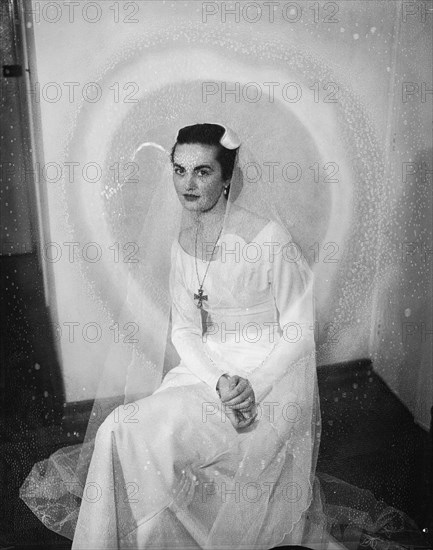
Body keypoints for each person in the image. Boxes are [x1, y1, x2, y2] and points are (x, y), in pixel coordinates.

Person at [20, 123, 415, 550]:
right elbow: (187, 329)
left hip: (268, 382)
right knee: (120, 428)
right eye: (179, 169)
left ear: (227, 177)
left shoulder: (269, 239)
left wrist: (250, 387)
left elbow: (300, 332)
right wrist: (219, 381)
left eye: (203, 172)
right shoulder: (182, 241)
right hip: (208, 374)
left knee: (159, 446)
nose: (187, 184)